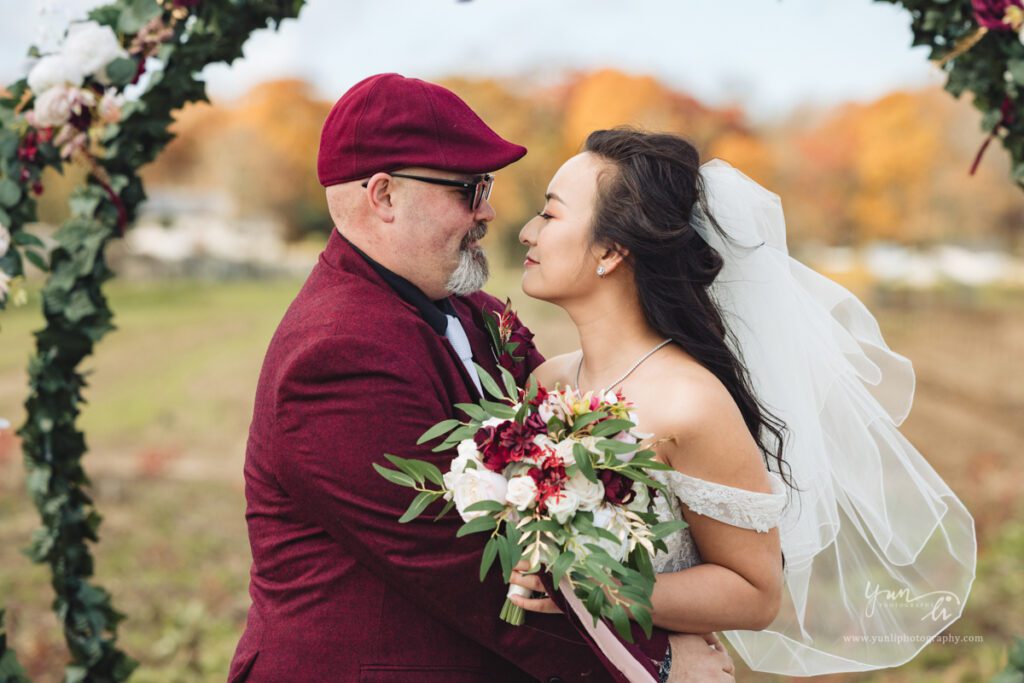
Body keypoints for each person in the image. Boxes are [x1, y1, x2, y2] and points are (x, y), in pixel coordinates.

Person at [228, 75, 735, 683]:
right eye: (469, 189)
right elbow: (473, 570)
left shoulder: (478, 312)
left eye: (486, 188)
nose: (489, 211)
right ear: (384, 196)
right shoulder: (336, 354)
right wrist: (658, 665)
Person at [509, 127, 976, 679]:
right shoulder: (549, 379)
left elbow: (754, 593)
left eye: (550, 214)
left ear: (611, 250)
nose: (525, 232)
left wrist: (588, 589)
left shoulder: (690, 402)